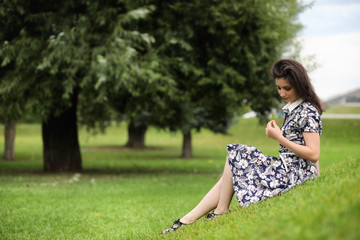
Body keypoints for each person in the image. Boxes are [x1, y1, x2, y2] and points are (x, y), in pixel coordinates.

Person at [160, 59, 323, 235]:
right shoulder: (295, 109)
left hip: (292, 175)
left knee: (237, 154)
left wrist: (279, 138)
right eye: (279, 88)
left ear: (299, 85)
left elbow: (314, 154)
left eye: (287, 88)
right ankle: (187, 220)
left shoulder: (308, 111)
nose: (282, 93)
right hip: (288, 169)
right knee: (232, 166)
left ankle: (218, 212)